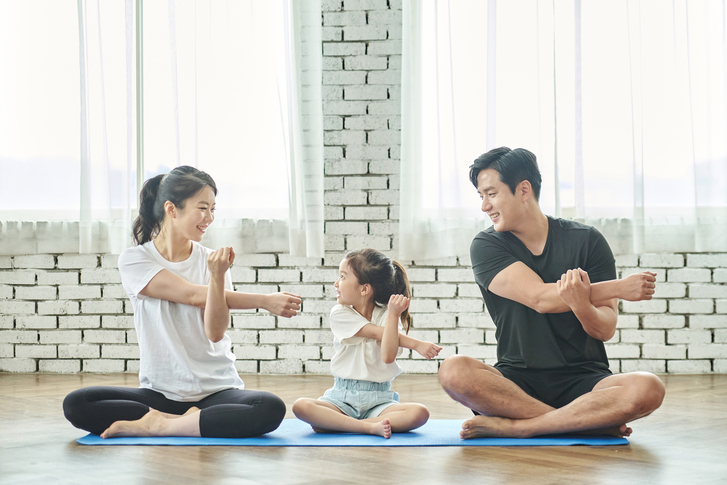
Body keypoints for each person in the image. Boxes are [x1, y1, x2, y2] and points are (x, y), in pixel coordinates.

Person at [438, 147, 666, 439]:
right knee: (453, 371)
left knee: (649, 388)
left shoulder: (587, 241)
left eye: (491, 194)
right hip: (517, 382)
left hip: (585, 380)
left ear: (523, 190)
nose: (484, 206)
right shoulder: (487, 245)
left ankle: (522, 427)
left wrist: (582, 303)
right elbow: (540, 299)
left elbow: (605, 329)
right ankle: (578, 422)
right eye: (481, 196)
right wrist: (620, 287)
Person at [63, 166, 302, 439]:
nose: (209, 217)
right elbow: (189, 294)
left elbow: (215, 332)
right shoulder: (136, 260)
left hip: (217, 391)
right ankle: (186, 420)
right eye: (202, 208)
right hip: (160, 393)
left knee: (268, 408)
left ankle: (162, 424)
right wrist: (264, 300)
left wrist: (217, 276)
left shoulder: (213, 262)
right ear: (172, 209)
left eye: (213, 209)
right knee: (78, 403)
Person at [292, 249, 442, 438]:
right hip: (341, 399)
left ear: (364, 289)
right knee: (301, 406)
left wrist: (394, 315)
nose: (336, 283)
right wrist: (417, 344)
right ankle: (368, 427)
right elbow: (376, 332)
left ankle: (341, 425)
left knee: (419, 413)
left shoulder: (389, 315)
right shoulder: (340, 313)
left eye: (342, 277)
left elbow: (388, 357)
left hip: (380, 401)